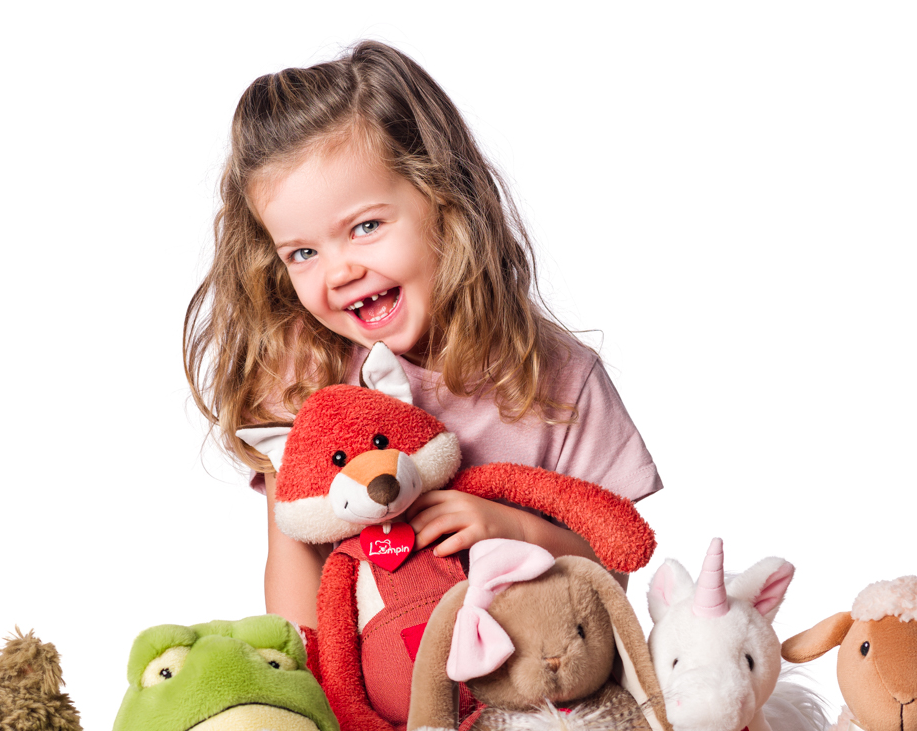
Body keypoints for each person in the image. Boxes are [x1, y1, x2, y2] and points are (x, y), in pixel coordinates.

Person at [185, 40, 661, 628]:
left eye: (365, 226)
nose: (339, 272)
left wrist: (512, 527)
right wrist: (300, 678)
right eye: (303, 253)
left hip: (531, 669)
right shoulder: (303, 375)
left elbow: (611, 572)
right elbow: (294, 562)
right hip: (375, 679)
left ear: (444, 198)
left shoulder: (558, 378)